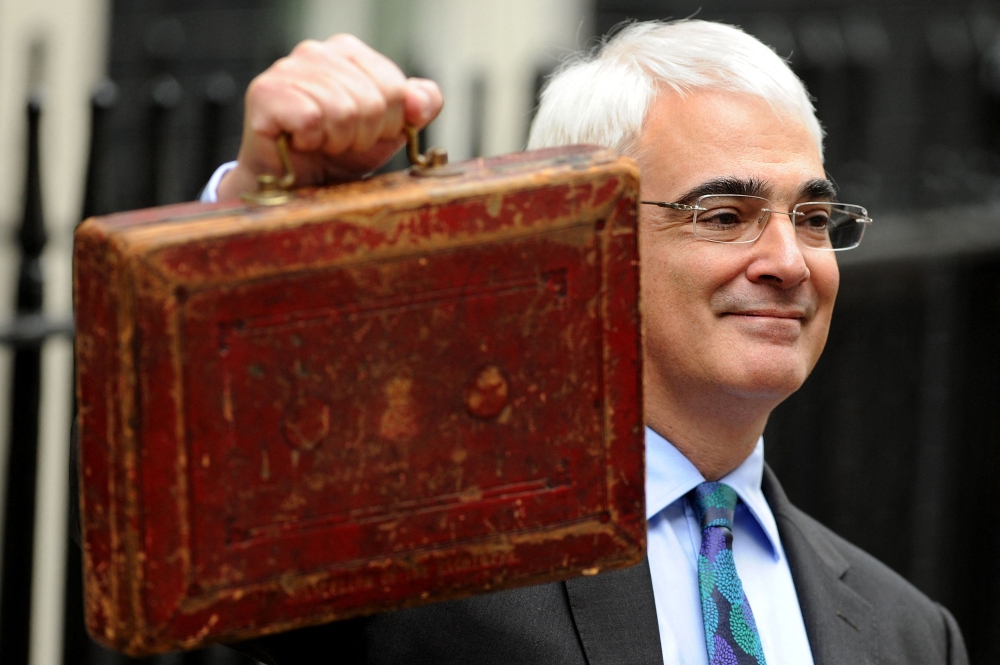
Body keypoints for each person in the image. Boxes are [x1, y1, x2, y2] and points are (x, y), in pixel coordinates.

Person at [204, 20, 968, 665]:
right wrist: (257, 227)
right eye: (725, 214)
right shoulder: (418, 567)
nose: (789, 262)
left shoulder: (910, 632)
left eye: (810, 218)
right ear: (587, 242)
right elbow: (212, 520)